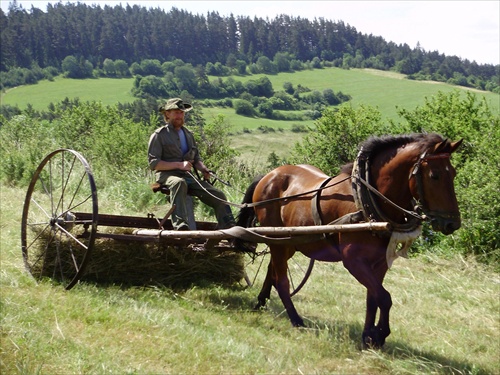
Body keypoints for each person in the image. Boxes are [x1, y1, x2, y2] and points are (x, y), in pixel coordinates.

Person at [148, 98, 236, 231]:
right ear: (167, 114)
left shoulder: (188, 135)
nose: (180, 115)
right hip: (167, 176)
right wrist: (179, 165)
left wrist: (204, 169)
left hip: (189, 177)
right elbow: (154, 164)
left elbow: (196, 159)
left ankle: (230, 228)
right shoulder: (159, 135)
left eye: (182, 113)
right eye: (176, 112)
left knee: (218, 195)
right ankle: (181, 226)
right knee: (179, 183)